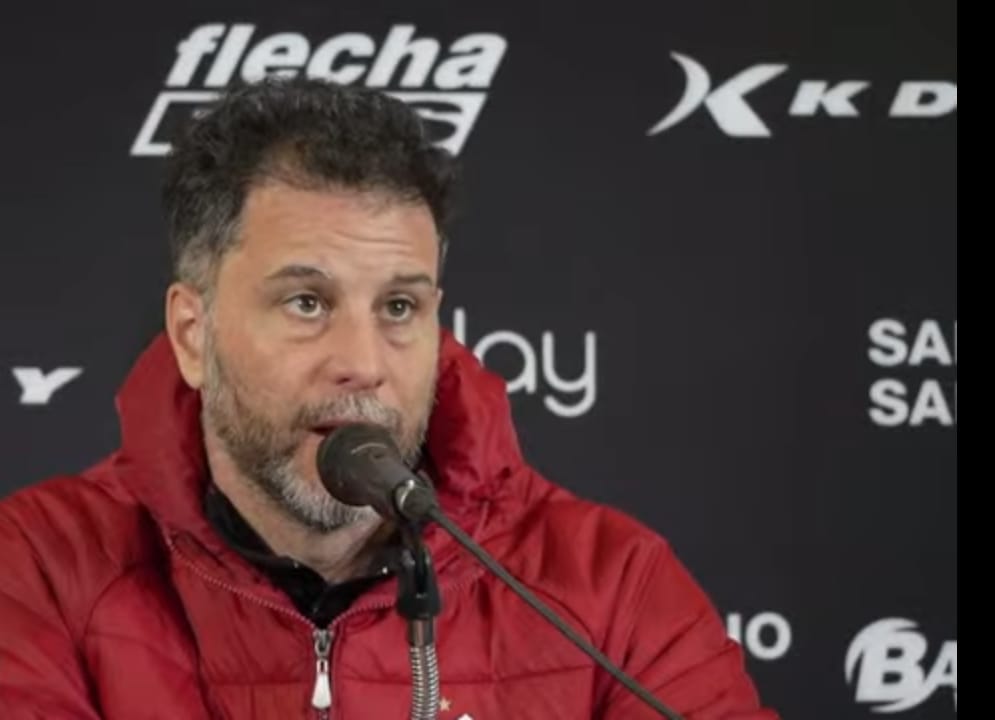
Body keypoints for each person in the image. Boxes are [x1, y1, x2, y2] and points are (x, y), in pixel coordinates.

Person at [0, 77, 779, 719]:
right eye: (307, 302)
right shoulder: (38, 568)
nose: (362, 364)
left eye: (398, 307)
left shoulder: (612, 587)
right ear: (192, 335)